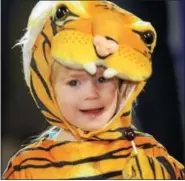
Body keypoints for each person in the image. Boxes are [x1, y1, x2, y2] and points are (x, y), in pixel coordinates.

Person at [3, 1, 185, 179]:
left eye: (103, 79)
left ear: (123, 84)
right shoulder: (27, 169)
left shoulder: (150, 153)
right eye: (74, 83)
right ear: (47, 88)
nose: (91, 94)